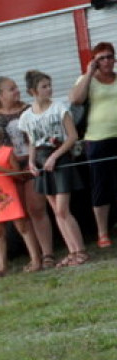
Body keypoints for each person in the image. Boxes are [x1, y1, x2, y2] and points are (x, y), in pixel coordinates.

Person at [19, 70, 88, 268]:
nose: (49, 89)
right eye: (44, 86)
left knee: (62, 209)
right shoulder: (27, 116)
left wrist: (55, 156)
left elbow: (72, 136)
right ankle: (72, 251)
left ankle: (80, 251)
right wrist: (31, 162)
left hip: (59, 158)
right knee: (55, 211)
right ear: (33, 91)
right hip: (42, 161)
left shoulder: (59, 108)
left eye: (49, 85)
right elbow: (32, 141)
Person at [0, 76, 55, 268]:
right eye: (11, 89)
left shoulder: (28, 109)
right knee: (22, 214)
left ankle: (48, 254)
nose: (16, 91)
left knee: (36, 208)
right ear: (0, 95)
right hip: (11, 170)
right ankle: (35, 257)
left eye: (16, 87)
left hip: (31, 163)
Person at [0, 121, 43, 278]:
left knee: (22, 227)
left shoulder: (7, 152)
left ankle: (36, 260)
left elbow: (18, 175)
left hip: (9, 195)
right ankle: (2, 266)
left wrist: (0, 169)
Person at [69, 41, 117, 249]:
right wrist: (89, 74)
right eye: (101, 58)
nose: (107, 61)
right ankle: (102, 232)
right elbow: (76, 100)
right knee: (100, 186)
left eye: (110, 56)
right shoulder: (87, 80)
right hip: (97, 139)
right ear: (95, 61)